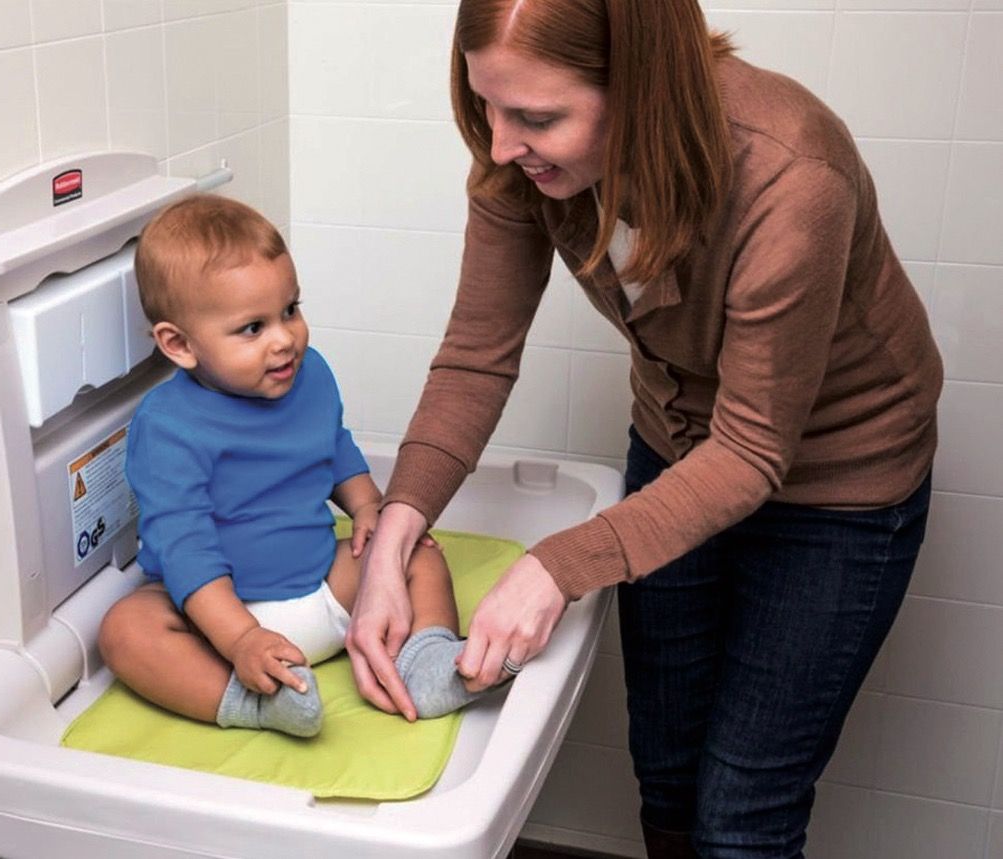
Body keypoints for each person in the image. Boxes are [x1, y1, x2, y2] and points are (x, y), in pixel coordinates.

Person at [345, 0, 942, 855]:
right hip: (679, 445)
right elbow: (476, 355)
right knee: (662, 766)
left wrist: (557, 564)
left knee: (741, 813)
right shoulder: (513, 161)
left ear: (639, 89)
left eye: (537, 117)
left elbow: (748, 452)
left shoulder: (790, 174)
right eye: (487, 107)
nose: (501, 143)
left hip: (838, 485)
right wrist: (393, 543)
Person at [97, 194, 491, 739]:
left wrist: (367, 505)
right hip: (216, 622)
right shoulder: (167, 427)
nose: (285, 339)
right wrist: (239, 639)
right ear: (180, 344)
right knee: (126, 630)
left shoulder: (310, 375)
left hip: (323, 588)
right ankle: (252, 701)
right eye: (252, 329)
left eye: (290, 310)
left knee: (414, 551)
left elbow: (333, 447)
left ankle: (425, 659)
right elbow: (186, 549)